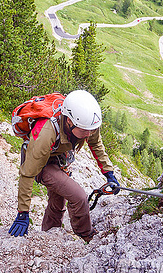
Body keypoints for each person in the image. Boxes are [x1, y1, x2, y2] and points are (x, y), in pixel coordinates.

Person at [8, 90, 120, 242]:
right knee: (79, 197)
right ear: (69, 121)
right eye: (85, 131)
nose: (89, 134)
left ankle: (50, 235)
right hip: (42, 163)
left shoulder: (88, 123)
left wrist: (109, 173)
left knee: (58, 202)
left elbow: (96, 145)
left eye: (91, 130)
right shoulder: (46, 132)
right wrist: (23, 213)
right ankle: (87, 234)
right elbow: (28, 172)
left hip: (60, 158)